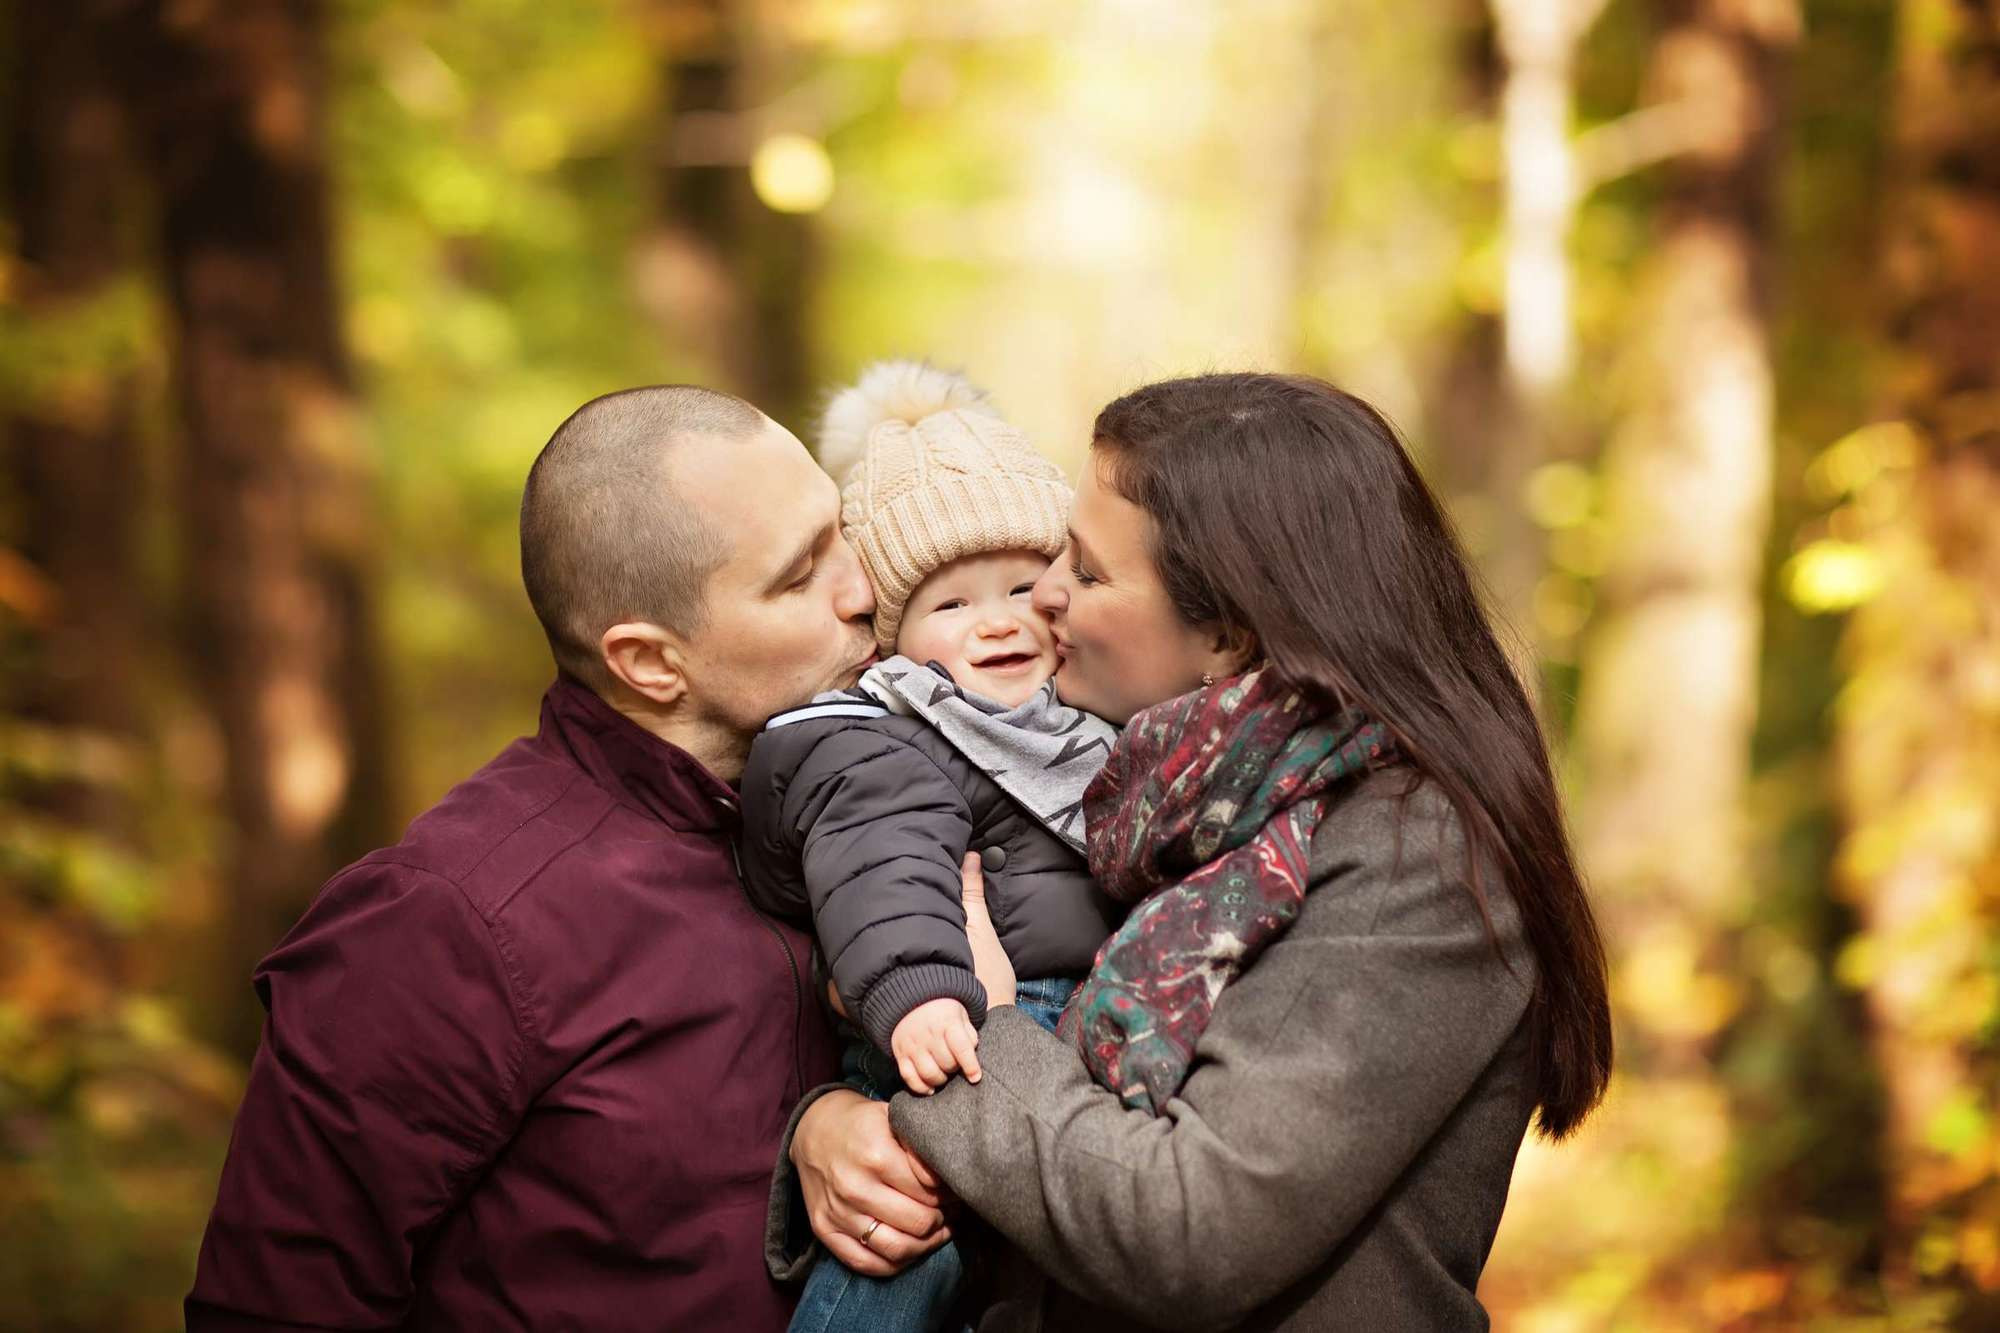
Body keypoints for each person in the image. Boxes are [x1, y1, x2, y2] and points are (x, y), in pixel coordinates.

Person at [783, 371, 1615, 1329]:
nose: (1043, 594)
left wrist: (984, 1035)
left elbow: (1189, 1230)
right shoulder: (1164, 803)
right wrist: (829, 1129)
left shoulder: (1412, 854)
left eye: (1085, 571)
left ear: (1226, 635)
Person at [185, 386, 948, 1331]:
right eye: (798, 578)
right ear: (651, 662)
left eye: (841, 532)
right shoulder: (449, 920)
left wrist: (817, 1120)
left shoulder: (891, 793)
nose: (864, 588)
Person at [739, 363, 1123, 1331]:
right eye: (950, 605)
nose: (996, 620)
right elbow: (883, 864)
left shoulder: (1085, 717)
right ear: (894, 639)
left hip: (1062, 1041)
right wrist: (918, 989)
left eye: (1023, 586)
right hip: (939, 1029)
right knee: (906, 1236)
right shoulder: (893, 735)